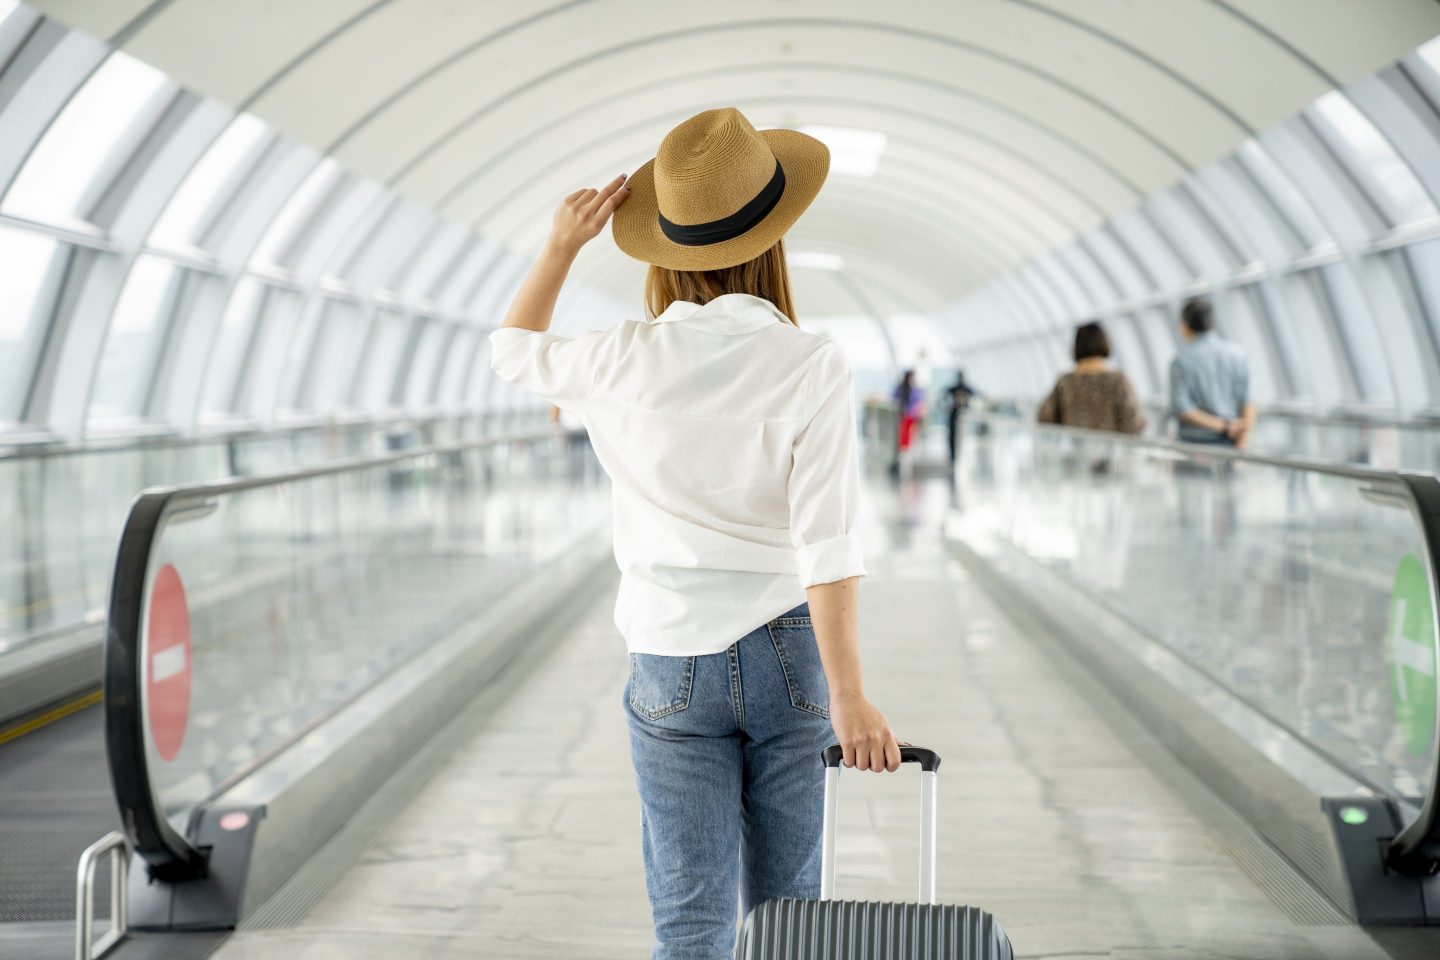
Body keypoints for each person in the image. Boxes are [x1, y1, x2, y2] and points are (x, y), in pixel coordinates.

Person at [486, 107, 901, 959]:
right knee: (791, 918)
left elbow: (510, 351)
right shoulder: (812, 364)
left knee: (689, 920)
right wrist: (852, 696)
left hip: (668, 659)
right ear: (771, 242)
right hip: (790, 653)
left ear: (666, 251)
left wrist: (562, 245)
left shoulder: (617, 357)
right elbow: (828, 546)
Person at [1169, 296, 1254, 447]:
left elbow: (1183, 409)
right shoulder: (1238, 355)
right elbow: (1248, 401)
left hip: (1193, 445)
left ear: (1185, 325)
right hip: (1230, 442)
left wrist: (1225, 426)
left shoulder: (1181, 360)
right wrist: (1242, 441)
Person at [1036, 321, 1145, 435]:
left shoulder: (1066, 382)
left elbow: (1044, 417)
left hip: (1074, 450)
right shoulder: (1117, 380)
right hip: (1110, 450)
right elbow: (1134, 423)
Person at [891, 368, 925, 473]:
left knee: (905, 439)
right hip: (909, 417)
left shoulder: (902, 388)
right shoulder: (913, 390)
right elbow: (919, 404)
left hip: (905, 417)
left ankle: (906, 461)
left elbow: (893, 398)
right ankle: (907, 462)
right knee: (908, 439)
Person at [946, 369, 978, 463]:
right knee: (953, 437)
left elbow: (976, 395)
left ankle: (959, 457)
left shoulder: (966, 389)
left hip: (963, 418)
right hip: (954, 417)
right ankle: (953, 457)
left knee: (961, 438)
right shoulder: (953, 389)